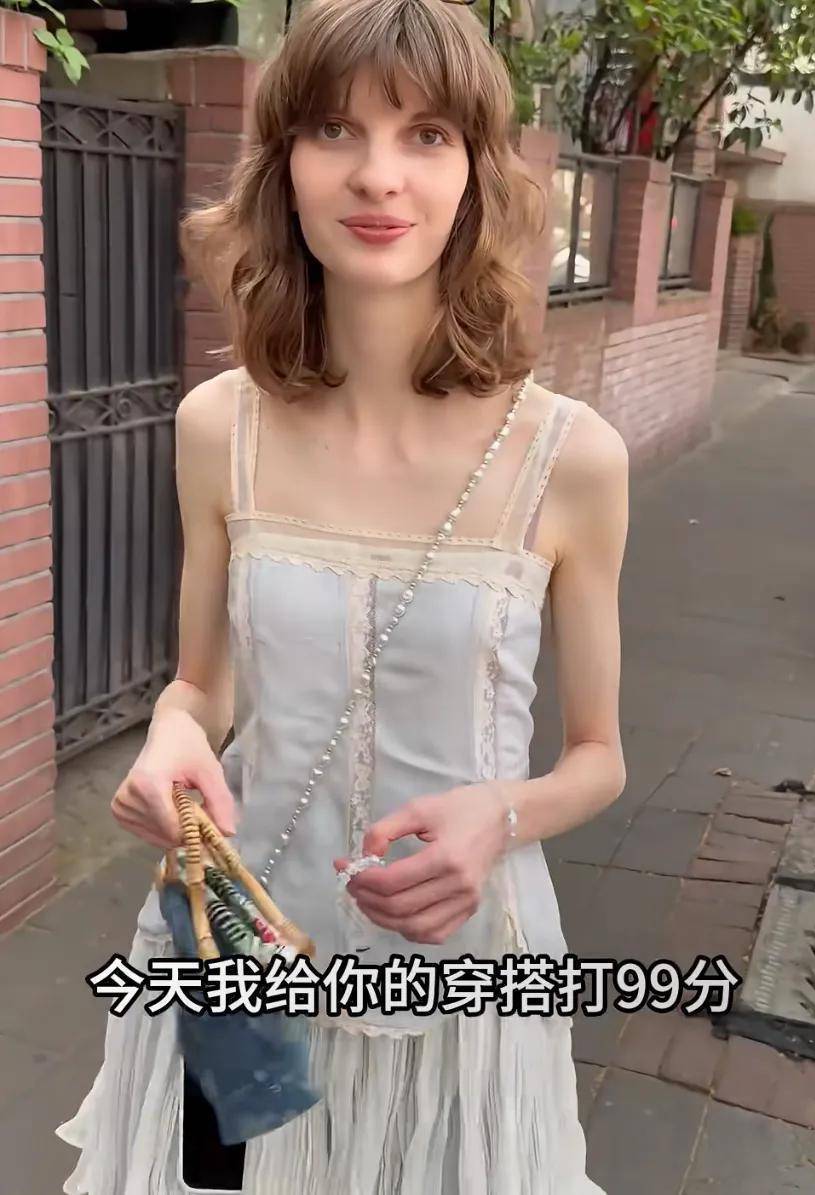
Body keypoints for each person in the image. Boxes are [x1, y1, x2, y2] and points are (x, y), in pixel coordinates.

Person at [57, 0, 629, 1190]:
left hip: (461, 977)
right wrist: (170, 739)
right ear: (284, 166)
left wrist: (501, 813)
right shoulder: (219, 428)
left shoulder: (568, 457)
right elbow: (201, 685)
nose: (377, 175)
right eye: (334, 130)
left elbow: (598, 758)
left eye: (426, 134)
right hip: (235, 954)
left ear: (475, 172)